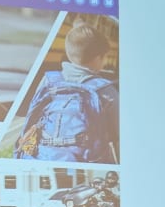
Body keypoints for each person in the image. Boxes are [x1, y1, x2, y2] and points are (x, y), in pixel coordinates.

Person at [16, 23, 119, 163]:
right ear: (98, 58)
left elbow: (32, 116)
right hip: (88, 162)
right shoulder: (105, 91)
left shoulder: (48, 80)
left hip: (44, 156)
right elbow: (119, 135)